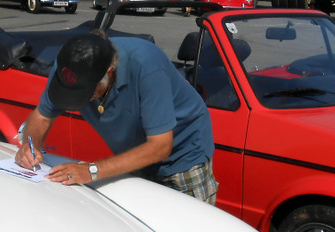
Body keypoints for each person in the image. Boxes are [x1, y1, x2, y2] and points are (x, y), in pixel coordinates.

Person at [15, 31, 218, 204]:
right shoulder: (69, 67)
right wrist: (30, 146)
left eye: (86, 93)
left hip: (183, 155)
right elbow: (41, 117)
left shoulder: (146, 65)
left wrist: (91, 170)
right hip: (137, 155)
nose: (81, 100)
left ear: (109, 72)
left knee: (188, 230)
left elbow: (161, 146)